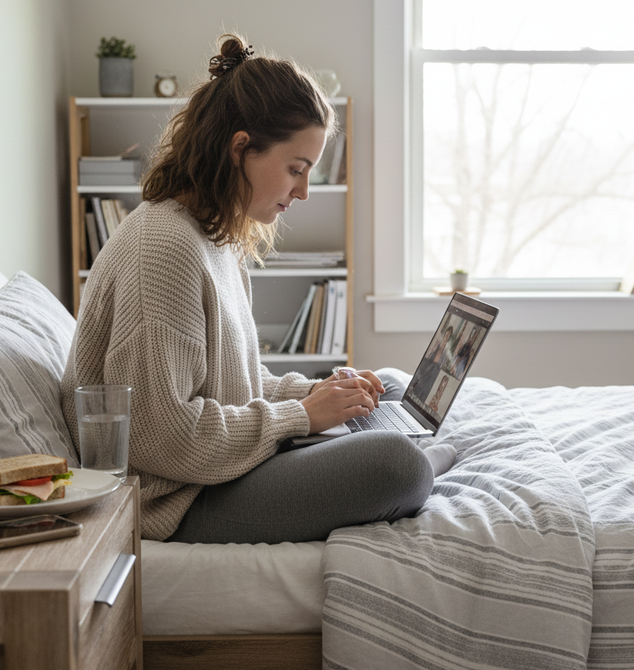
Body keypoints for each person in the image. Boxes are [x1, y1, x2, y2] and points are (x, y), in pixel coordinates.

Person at [61, 34, 451, 545]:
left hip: (215, 467)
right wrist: (303, 415)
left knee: (388, 387)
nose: (304, 191)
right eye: (296, 169)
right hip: (180, 497)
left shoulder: (215, 238)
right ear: (241, 147)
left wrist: (315, 393)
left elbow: (231, 386)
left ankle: (403, 431)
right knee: (399, 466)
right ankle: (423, 452)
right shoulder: (162, 248)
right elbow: (160, 437)